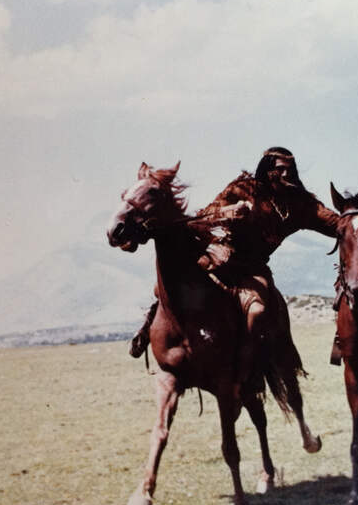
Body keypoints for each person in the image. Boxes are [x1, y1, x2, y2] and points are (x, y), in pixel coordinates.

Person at [129, 147, 340, 358]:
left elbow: (334, 223)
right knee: (163, 288)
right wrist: (230, 211)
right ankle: (149, 327)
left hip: (252, 269)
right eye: (280, 169)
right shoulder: (243, 188)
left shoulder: (301, 203)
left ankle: (246, 363)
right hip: (216, 255)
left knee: (257, 312)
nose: (286, 174)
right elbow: (206, 215)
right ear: (267, 169)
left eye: (290, 169)